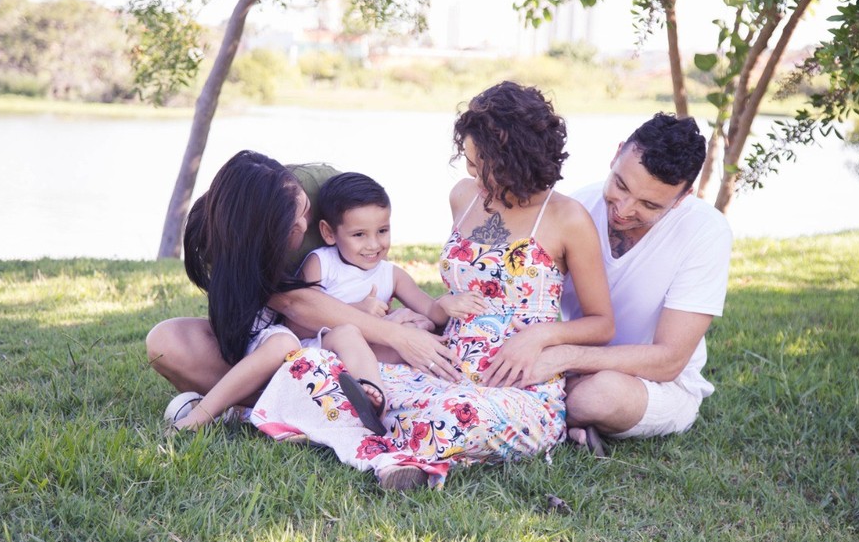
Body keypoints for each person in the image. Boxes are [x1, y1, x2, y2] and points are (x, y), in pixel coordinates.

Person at [248, 80, 614, 489]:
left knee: (457, 417)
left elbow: (601, 324)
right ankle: (391, 445)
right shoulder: (465, 196)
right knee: (313, 365)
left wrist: (541, 336)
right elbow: (464, 289)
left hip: (516, 385)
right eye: (470, 162)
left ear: (513, 156)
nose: (472, 173)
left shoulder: (568, 218)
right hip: (441, 366)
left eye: (481, 164)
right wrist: (431, 312)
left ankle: (371, 444)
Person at [522, 113, 733, 454]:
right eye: (620, 185)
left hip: (656, 385)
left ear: (682, 197)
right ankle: (562, 420)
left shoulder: (706, 232)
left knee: (600, 396)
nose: (623, 209)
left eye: (649, 204)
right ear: (617, 154)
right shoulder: (576, 208)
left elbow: (668, 361)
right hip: (569, 366)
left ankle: (548, 411)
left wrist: (563, 358)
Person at [165, 151, 394, 436]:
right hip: (267, 342)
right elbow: (283, 308)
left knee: (345, 335)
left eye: (304, 209)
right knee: (168, 338)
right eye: (290, 221)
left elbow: (308, 306)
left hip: (312, 345)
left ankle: (372, 402)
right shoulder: (223, 229)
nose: (302, 224)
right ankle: (213, 411)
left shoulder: (321, 190)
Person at [300, 171, 485, 350]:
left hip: (373, 351)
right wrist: (357, 310)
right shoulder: (322, 264)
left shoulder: (392, 275)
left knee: (416, 330)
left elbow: (430, 310)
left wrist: (445, 304)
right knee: (347, 338)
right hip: (325, 350)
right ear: (329, 232)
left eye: (382, 231)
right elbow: (299, 323)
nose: (373, 244)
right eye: (359, 234)